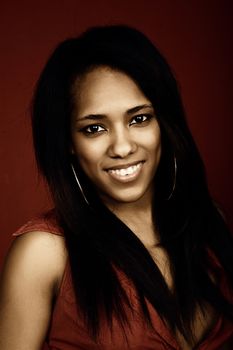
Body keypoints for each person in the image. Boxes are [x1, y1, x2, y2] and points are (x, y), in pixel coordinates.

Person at [0, 25, 232, 350]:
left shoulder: (208, 221)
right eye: (94, 128)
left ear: (164, 122)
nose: (122, 148)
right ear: (68, 142)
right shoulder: (43, 254)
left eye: (139, 119)